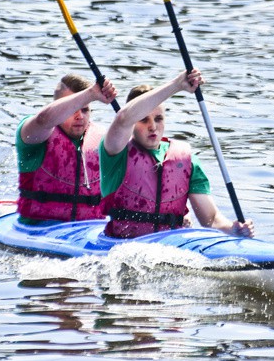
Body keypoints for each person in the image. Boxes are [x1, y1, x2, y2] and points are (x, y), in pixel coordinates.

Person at [99, 69, 255, 240]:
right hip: (122, 243)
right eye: (143, 119)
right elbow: (123, 119)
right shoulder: (114, 153)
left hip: (173, 246)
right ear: (133, 123)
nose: (153, 126)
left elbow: (210, 220)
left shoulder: (186, 159)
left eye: (158, 119)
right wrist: (177, 85)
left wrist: (234, 229)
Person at [16, 74, 118, 224]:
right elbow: (43, 119)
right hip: (38, 229)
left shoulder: (104, 140)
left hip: (89, 231)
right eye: (73, 109)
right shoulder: (35, 133)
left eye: (85, 110)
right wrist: (91, 94)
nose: (80, 116)